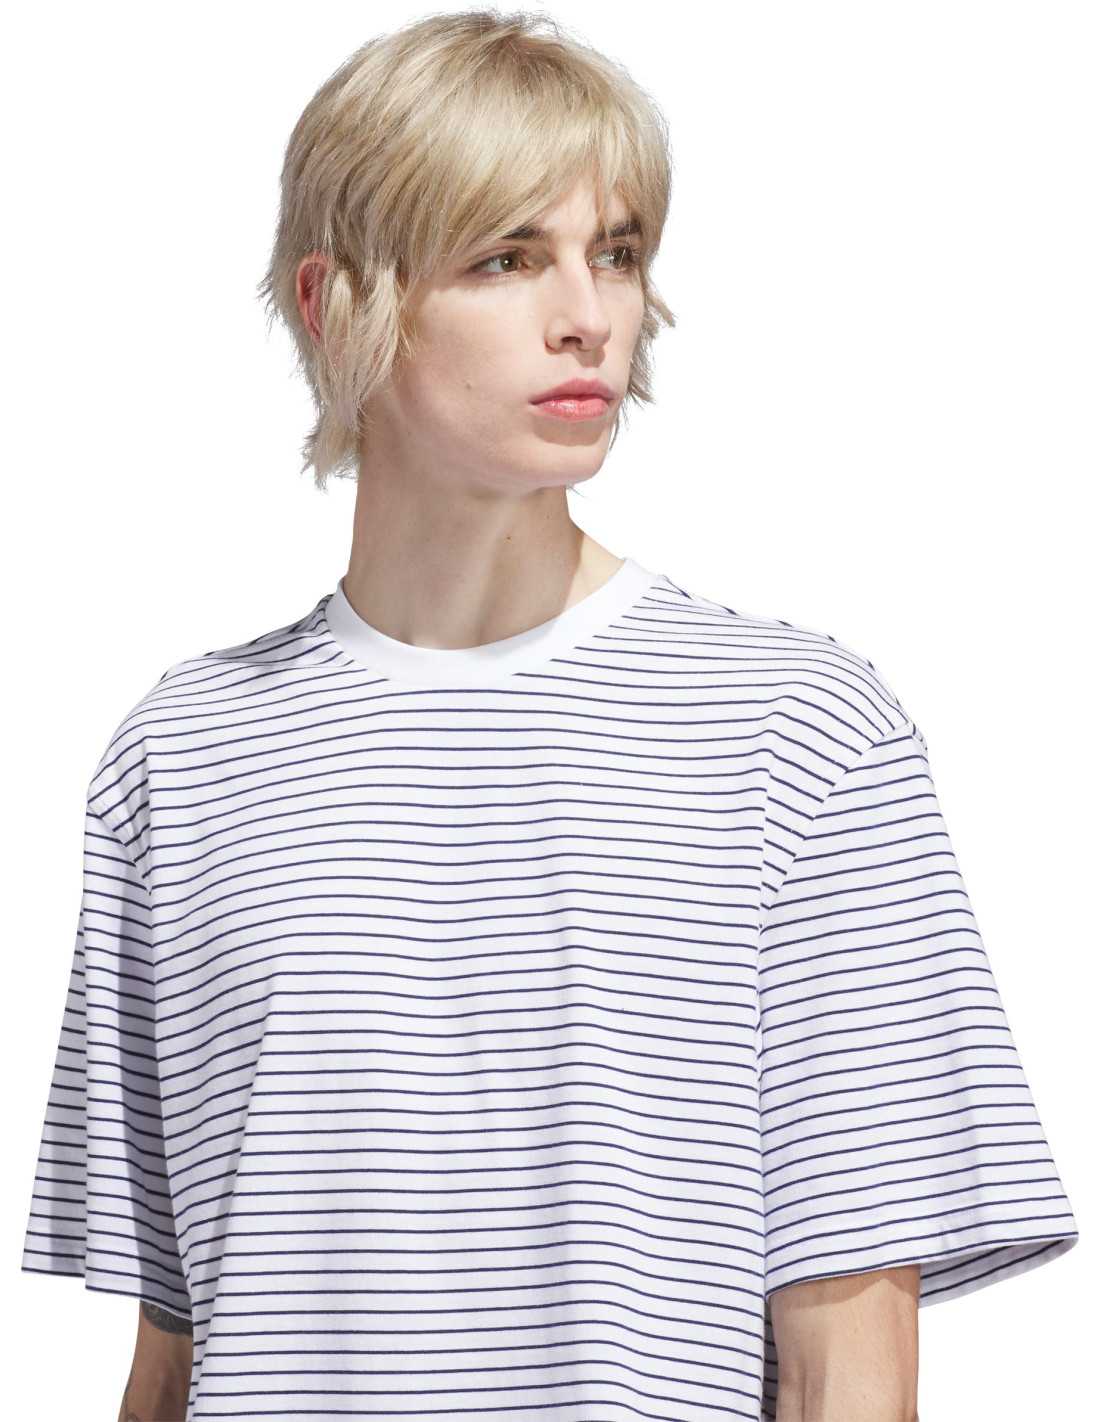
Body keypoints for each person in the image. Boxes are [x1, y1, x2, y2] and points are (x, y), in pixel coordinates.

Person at [20, 11, 1078, 1422]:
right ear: (334, 302)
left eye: (617, 252)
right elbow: (178, 1344)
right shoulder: (183, 757)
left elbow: (851, 1357)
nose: (589, 313)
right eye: (507, 257)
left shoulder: (798, 737)